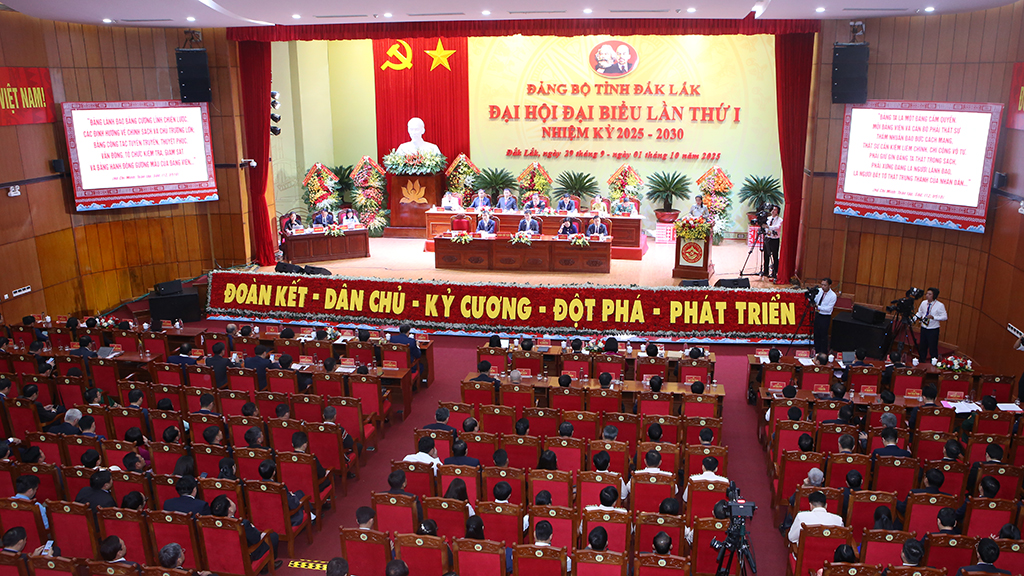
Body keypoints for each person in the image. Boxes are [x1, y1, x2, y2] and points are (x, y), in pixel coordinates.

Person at [210, 495, 281, 568]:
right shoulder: (243, 524)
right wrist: (253, 528)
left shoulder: (209, 526)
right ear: (230, 510)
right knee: (273, 536)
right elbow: (256, 539)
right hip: (246, 555)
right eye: (231, 501)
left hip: (224, 554)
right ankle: (268, 565)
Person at [259, 459, 306, 526]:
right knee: (300, 496)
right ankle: (311, 516)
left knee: (299, 493)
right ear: (274, 472)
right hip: (284, 518)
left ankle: (312, 515)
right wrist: (292, 496)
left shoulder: (255, 488)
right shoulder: (280, 487)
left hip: (267, 517)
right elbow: (294, 505)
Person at [915, 287, 947, 362]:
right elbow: (920, 312)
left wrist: (934, 317)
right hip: (924, 328)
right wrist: (914, 318)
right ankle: (921, 362)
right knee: (922, 347)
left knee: (933, 348)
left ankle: (934, 363)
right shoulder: (923, 303)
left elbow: (944, 317)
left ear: (934, 295)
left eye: (930, 294)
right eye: (927, 293)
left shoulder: (940, 305)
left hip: (933, 329)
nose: (927, 295)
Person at [812, 278, 837, 355]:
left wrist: (818, 307)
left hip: (825, 317)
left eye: (825, 285)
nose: (823, 287)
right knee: (816, 333)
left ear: (829, 285)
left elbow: (828, 309)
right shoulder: (819, 291)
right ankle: (817, 351)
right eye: (822, 285)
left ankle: (823, 352)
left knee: (823, 335)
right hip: (817, 315)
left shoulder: (833, 296)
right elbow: (815, 300)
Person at [763, 204, 782, 279]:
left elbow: (777, 227)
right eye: (773, 209)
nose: (773, 211)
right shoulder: (768, 218)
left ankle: (774, 272)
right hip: (767, 238)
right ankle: (765, 271)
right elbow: (765, 227)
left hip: (774, 239)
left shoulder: (780, 220)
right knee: (766, 256)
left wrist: (768, 227)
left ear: (777, 212)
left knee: (774, 256)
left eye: (775, 210)